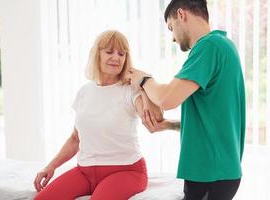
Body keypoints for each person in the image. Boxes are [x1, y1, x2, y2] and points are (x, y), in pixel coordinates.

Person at [126, 0, 246, 200]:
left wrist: (144, 79)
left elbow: (166, 99)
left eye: (171, 28)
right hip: (219, 171)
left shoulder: (209, 46)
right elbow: (215, 121)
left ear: (181, 14)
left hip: (210, 172)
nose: (173, 38)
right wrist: (169, 125)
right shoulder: (225, 46)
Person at [33, 30, 169, 200]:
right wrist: (51, 166)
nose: (117, 57)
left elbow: (155, 118)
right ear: (97, 54)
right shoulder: (85, 91)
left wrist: (143, 85)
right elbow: (75, 138)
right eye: (109, 51)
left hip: (126, 171)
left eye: (122, 53)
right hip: (85, 171)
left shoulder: (130, 91)